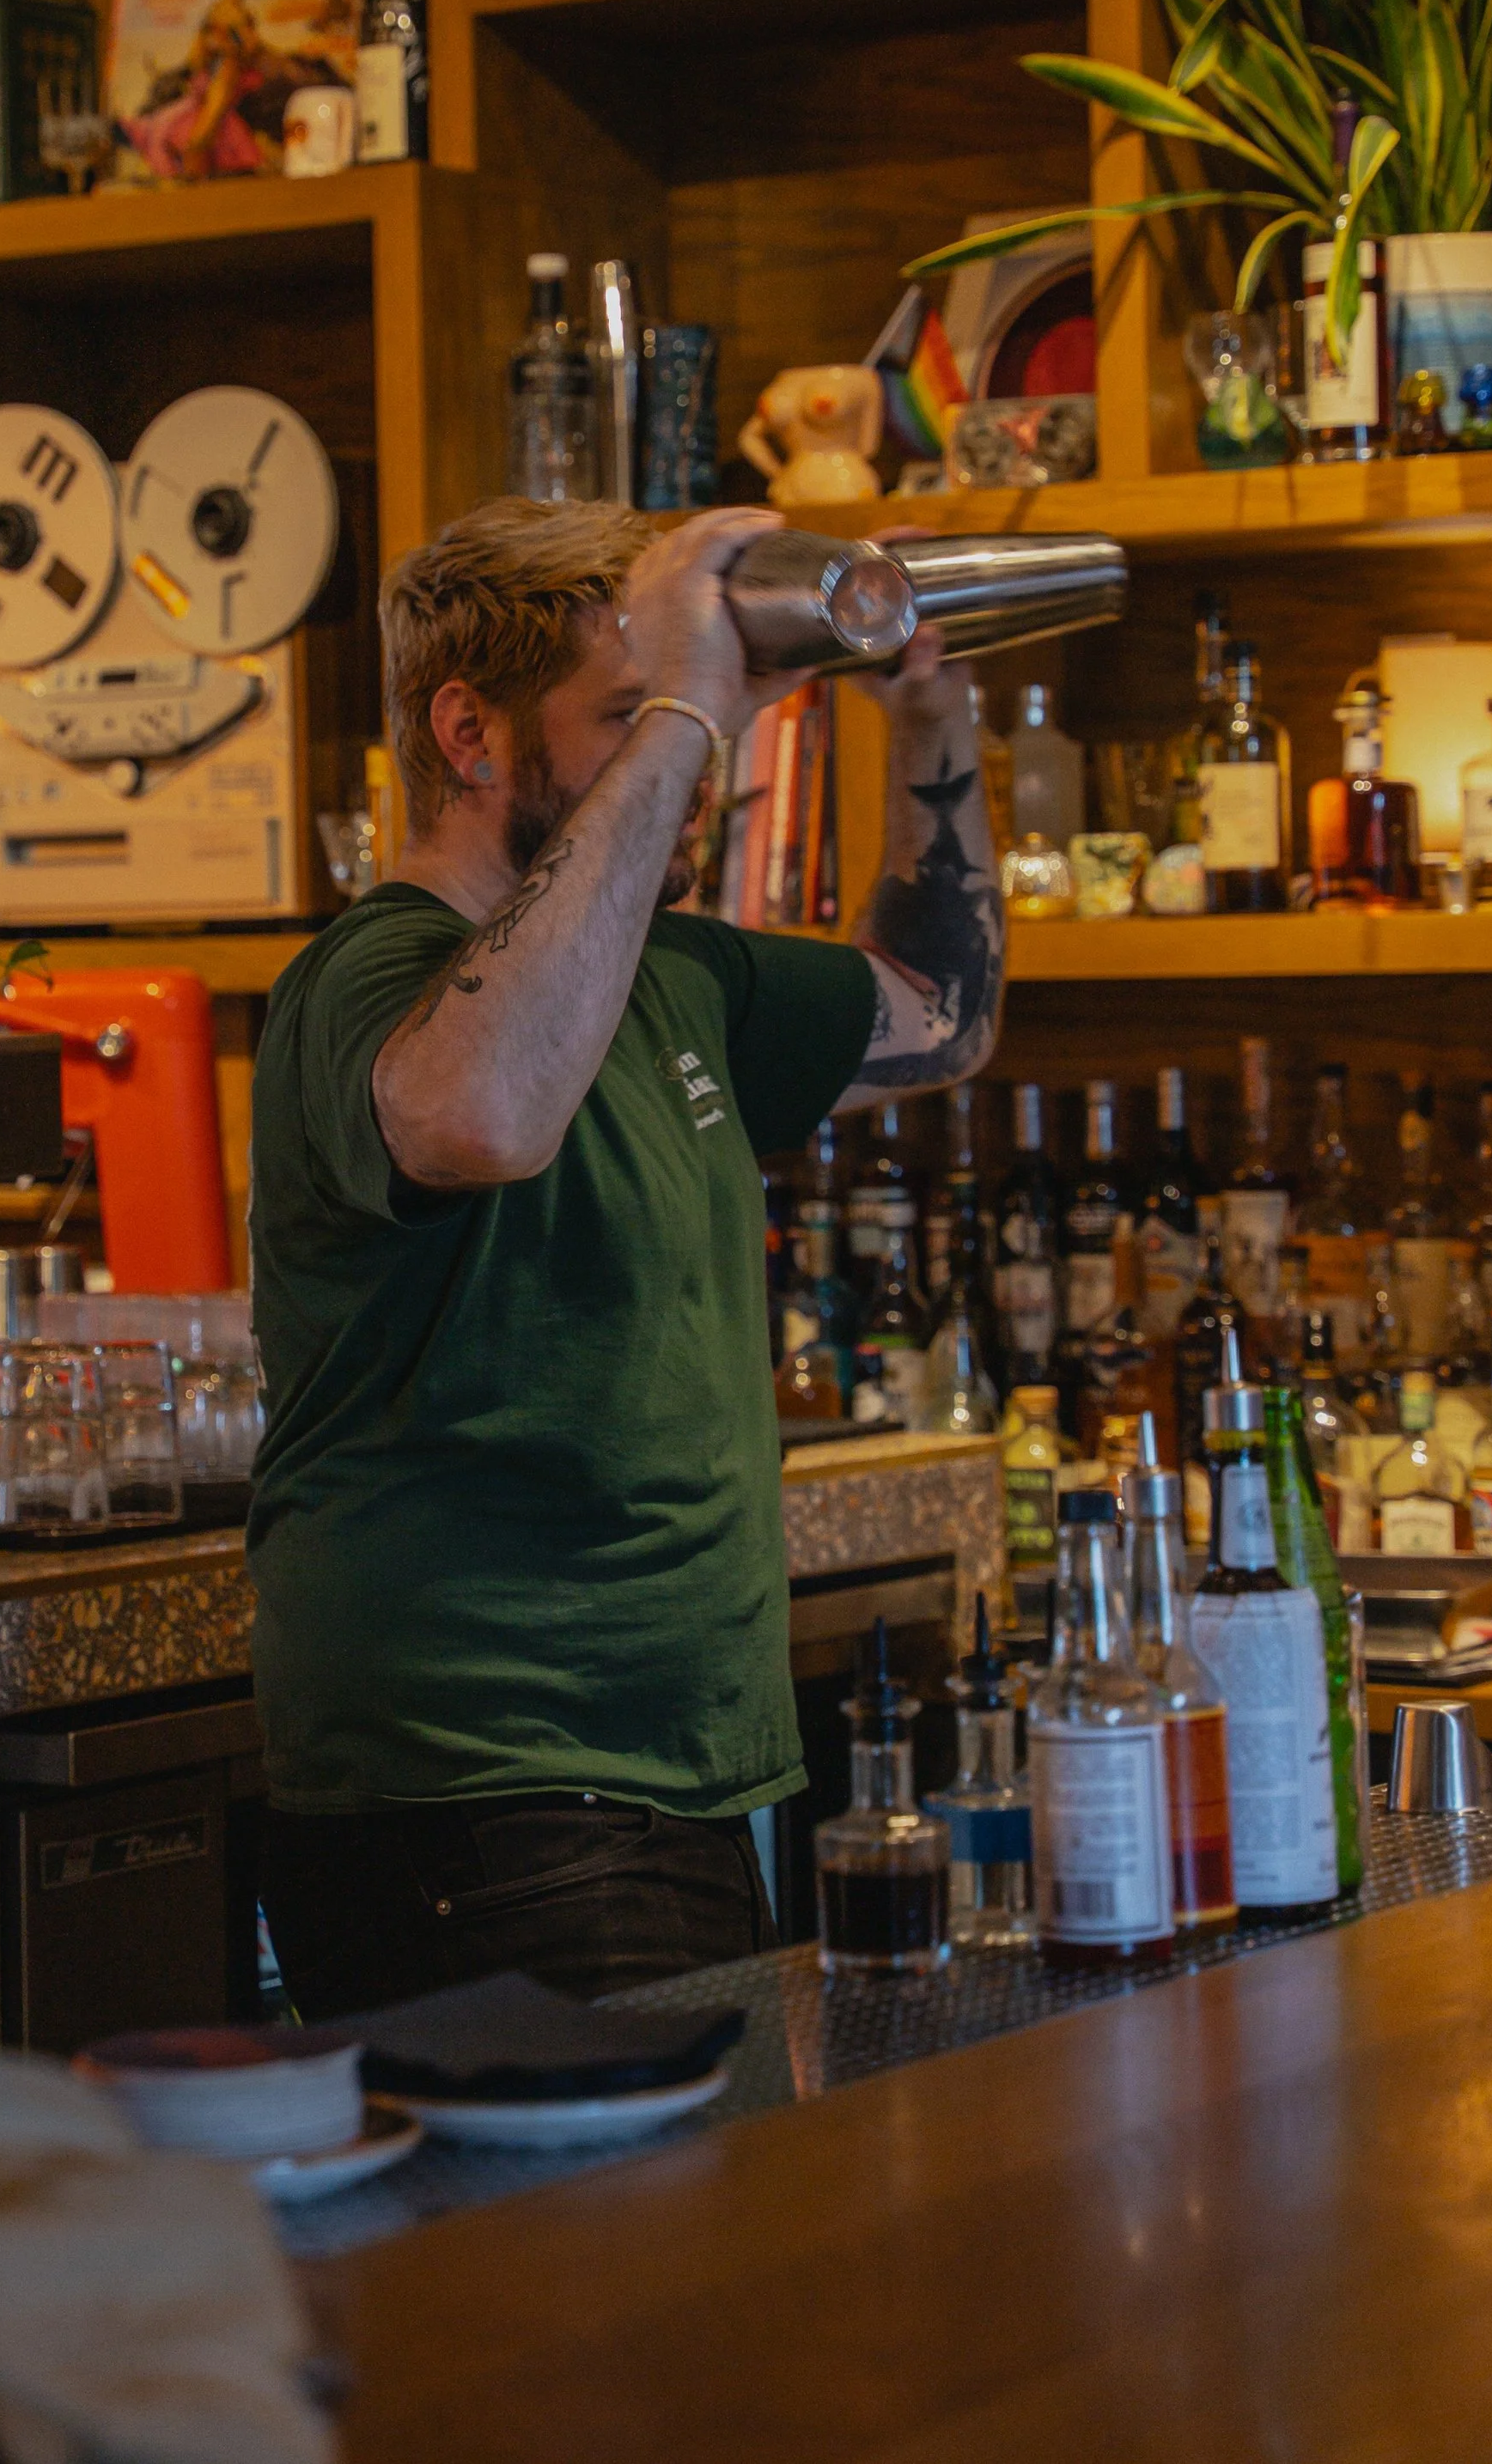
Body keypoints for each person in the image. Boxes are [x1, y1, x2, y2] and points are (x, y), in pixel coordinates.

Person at [247, 499, 1003, 2017]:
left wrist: (928, 712)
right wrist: (689, 703)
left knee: (705, 2246)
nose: (699, 766)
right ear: (471, 732)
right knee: (612, 2254)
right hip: (490, 1783)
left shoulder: (672, 979)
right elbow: (484, 1111)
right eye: (628, 711)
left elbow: (944, 1017)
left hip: (667, 1768)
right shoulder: (363, 983)